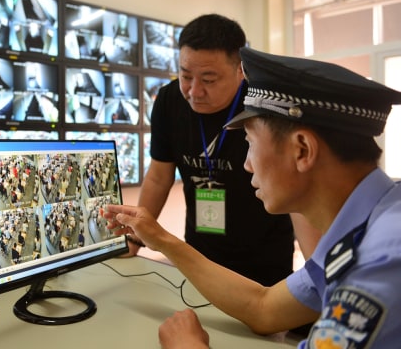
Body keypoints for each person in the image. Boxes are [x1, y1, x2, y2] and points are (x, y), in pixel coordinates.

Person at [104, 46, 401, 348]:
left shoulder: (380, 263)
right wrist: (160, 239)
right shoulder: (366, 227)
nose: (246, 163)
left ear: (302, 150)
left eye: (250, 142)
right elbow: (263, 307)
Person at [131, 13, 319, 286]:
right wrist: (135, 236)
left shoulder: (266, 105)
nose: (194, 91)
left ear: (240, 70)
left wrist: (319, 272)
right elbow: (159, 177)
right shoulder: (169, 101)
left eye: (209, 80)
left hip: (263, 256)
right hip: (199, 252)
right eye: (185, 76)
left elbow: (298, 194)